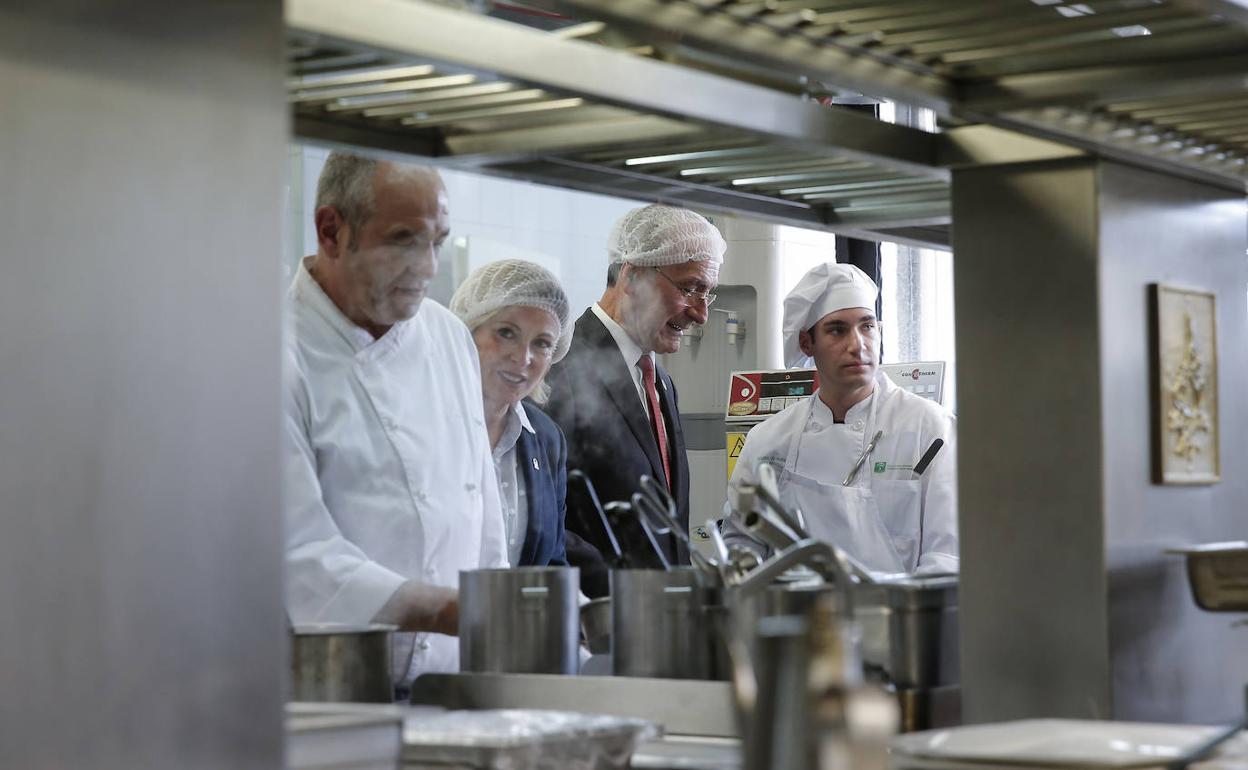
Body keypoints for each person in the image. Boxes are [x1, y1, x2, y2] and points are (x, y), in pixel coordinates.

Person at [283, 152, 507, 687]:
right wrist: (449, 611)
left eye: (438, 240)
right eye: (404, 240)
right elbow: (296, 552)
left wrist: (501, 624)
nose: (428, 266)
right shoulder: (269, 350)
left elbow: (482, 516)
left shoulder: (448, 335)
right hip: (328, 693)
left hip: (452, 689)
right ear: (332, 231)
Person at [725, 262, 958, 575]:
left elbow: (947, 557)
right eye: (837, 330)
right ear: (808, 343)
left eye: (867, 326)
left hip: (899, 618)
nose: (857, 345)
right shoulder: (769, 440)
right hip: (798, 620)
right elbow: (741, 545)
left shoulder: (931, 429)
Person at [546, 204, 726, 596]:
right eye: (689, 288)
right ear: (632, 275)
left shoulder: (660, 382)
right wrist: (626, 595)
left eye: (707, 294)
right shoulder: (562, 368)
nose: (700, 315)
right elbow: (548, 524)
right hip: (600, 624)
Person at [450, 259, 573, 568]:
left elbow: (553, 561)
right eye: (506, 332)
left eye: (542, 343)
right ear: (467, 332)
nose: (523, 358)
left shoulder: (546, 438)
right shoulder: (428, 422)